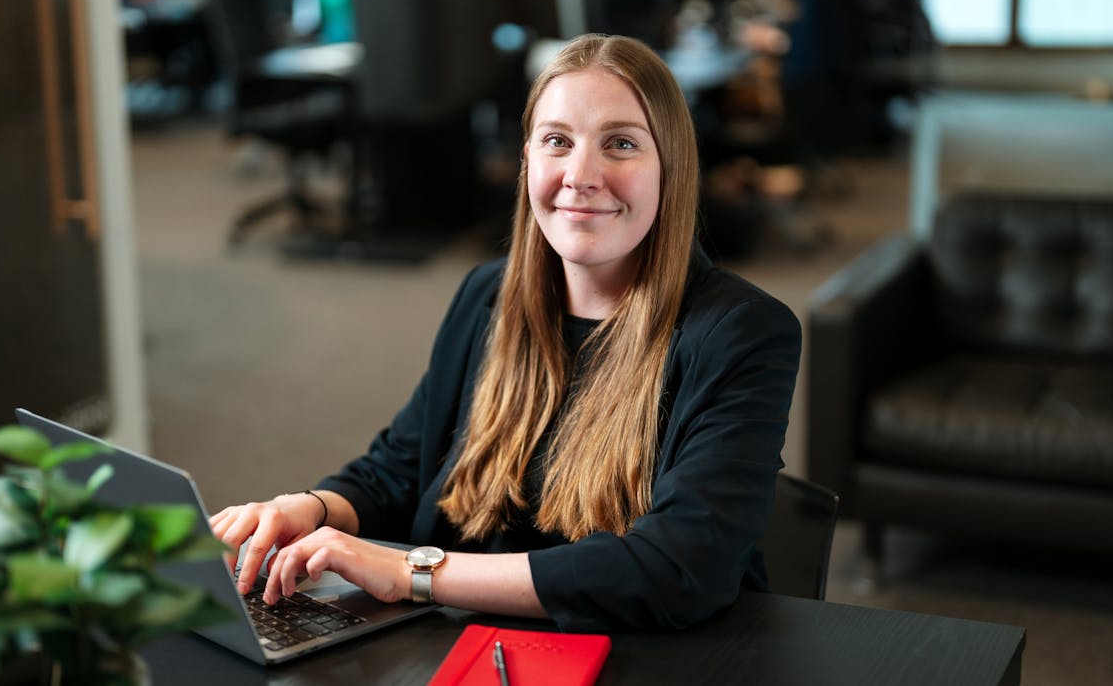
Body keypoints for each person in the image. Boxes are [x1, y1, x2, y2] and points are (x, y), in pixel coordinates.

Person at [210, 33, 801, 632]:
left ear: (671, 168)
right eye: (557, 142)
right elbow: (402, 466)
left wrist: (412, 573)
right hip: (466, 643)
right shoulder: (488, 297)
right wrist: (309, 510)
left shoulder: (743, 333)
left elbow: (680, 568)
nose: (581, 174)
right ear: (527, 160)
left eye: (621, 144)